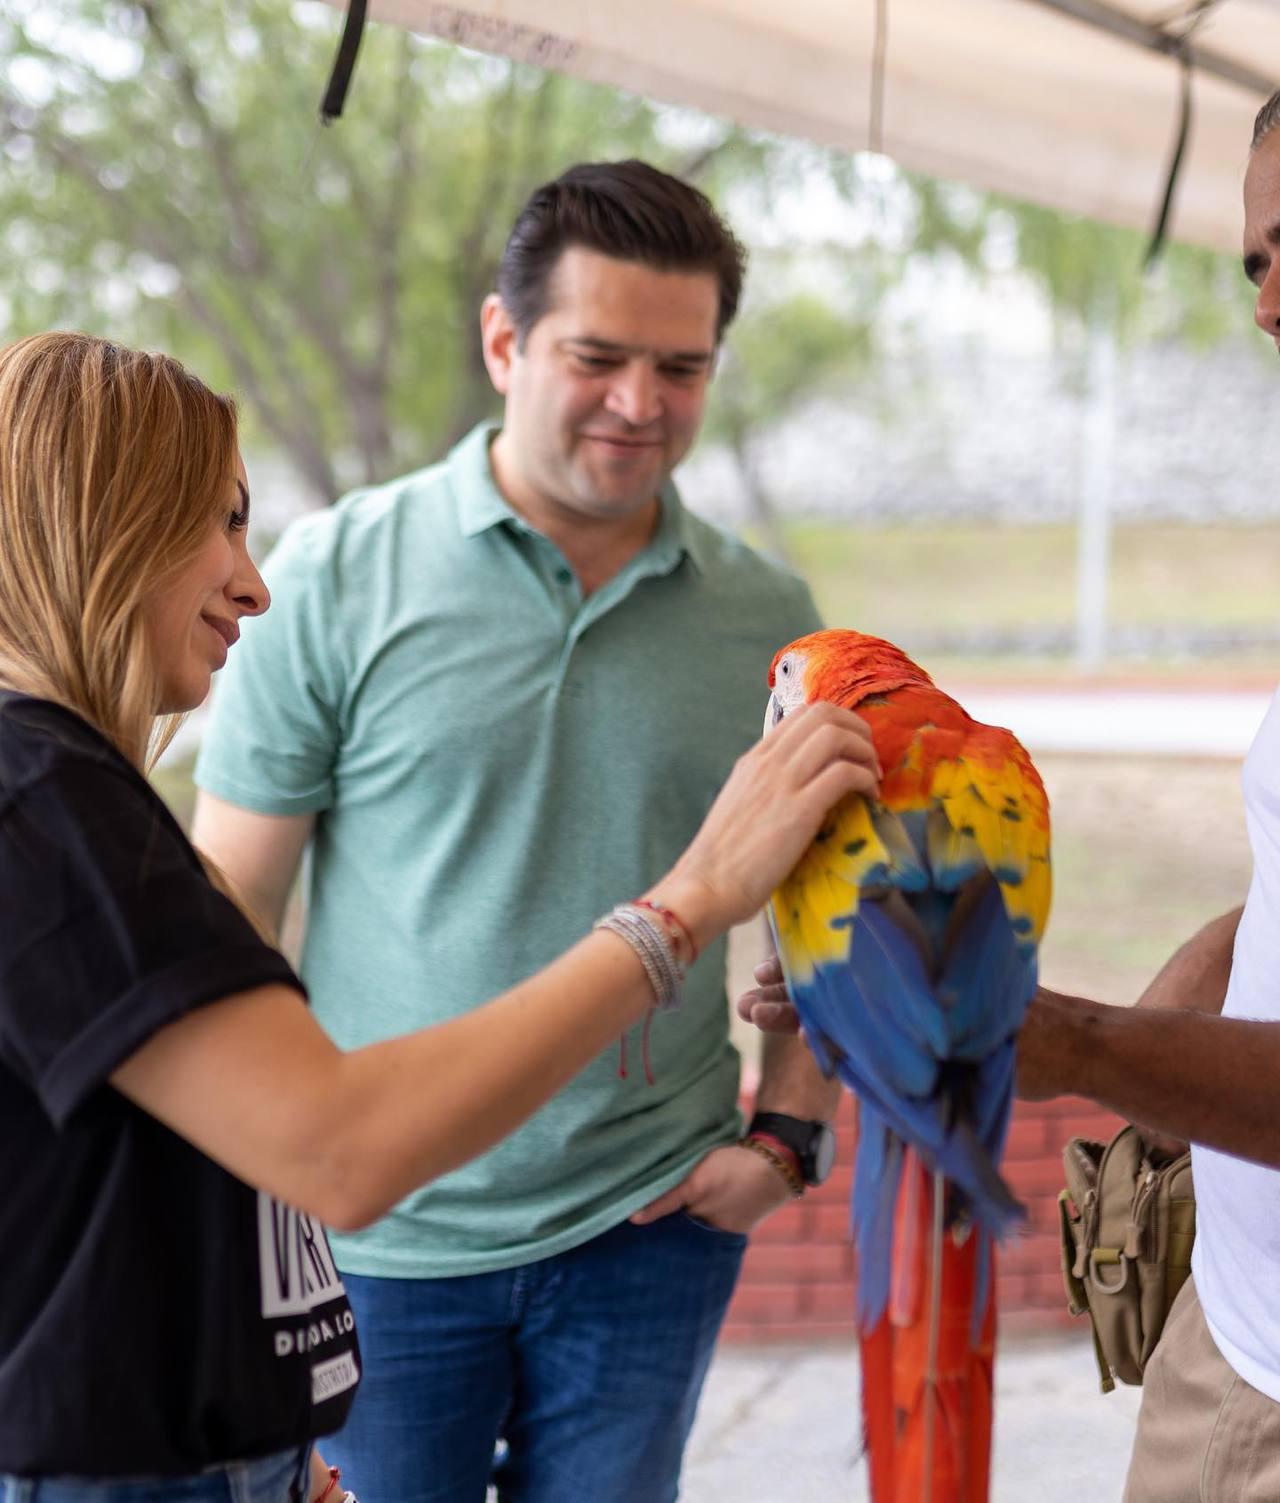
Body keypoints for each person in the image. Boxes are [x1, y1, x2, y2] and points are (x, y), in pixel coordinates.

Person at [0, 330, 880, 1503]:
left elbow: (119, 1195)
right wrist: (684, 906)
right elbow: (339, 1150)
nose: (252, 583)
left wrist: (269, 1431)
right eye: (216, 524)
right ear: (106, 524)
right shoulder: (44, 799)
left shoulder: (63, 790)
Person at [190, 157, 843, 1503]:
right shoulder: (333, 575)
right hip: (378, 1235)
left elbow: (821, 909)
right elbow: (228, 909)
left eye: (682, 367)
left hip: (651, 1223)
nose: (640, 403)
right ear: (503, 340)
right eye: (598, 357)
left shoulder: (767, 613)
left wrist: (786, 1134)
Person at [740, 88, 1280, 1503]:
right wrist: (1165, 1032)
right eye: (1254, 263)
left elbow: (1023, 1020)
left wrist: (1076, 1038)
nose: (1269, 305)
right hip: (1226, 1317)